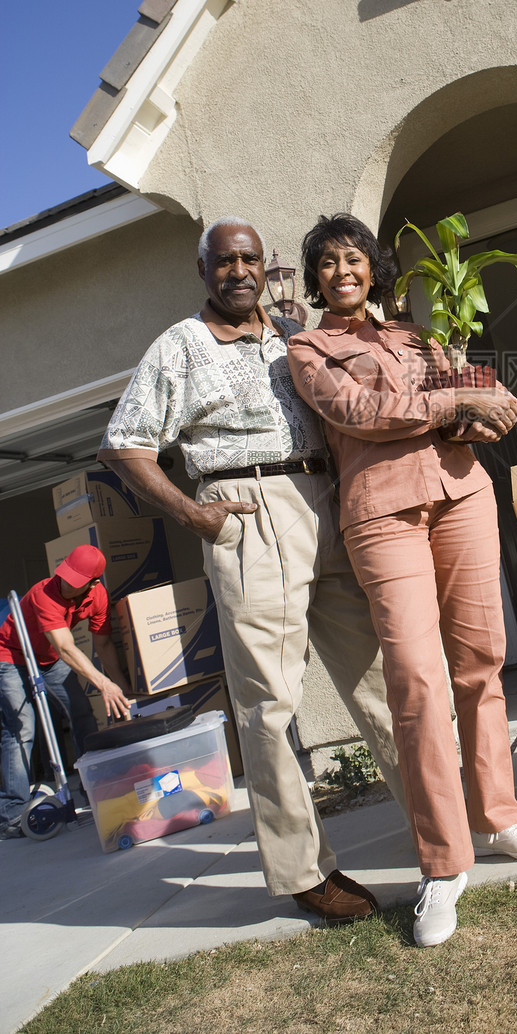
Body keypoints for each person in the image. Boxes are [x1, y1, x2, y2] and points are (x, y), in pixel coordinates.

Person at [97, 218, 402, 924]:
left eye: (250, 259)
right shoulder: (180, 346)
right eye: (224, 260)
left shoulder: (292, 332)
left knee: (380, 676)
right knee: (269, 705)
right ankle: (305, 872)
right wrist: (190, 512)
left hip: (325, 497)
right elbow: (125, 443)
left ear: (266, 266)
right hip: (246, 511)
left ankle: (440, 815)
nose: (239, 270)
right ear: (203, 270)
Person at [288, 213, 517, 948]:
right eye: (328, 263)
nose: (343, 271)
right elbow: (360, 412)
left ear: (373, 269)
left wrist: (485, 403)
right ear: (316, 279)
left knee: (480, 664)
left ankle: (498, 817)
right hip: (381, 513)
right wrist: (451, 404)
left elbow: (479, 395)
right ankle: (442, 864)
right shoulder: (309, 348)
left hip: (463, 494)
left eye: (354, 259)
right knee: (414, 680)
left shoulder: (416, 336)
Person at [0, 544, 132, 838]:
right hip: (10, 655)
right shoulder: (44, 593)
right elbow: (65, 646)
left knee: (82, 711)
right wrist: (103, 683)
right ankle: (10, 816)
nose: (66, 582)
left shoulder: (97, 596)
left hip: (48, 659)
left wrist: (120, 686)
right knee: (22, 727)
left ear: (93, 583)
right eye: (65, 574)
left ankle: (92, 787)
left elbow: (104, 645)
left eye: (75, 579)